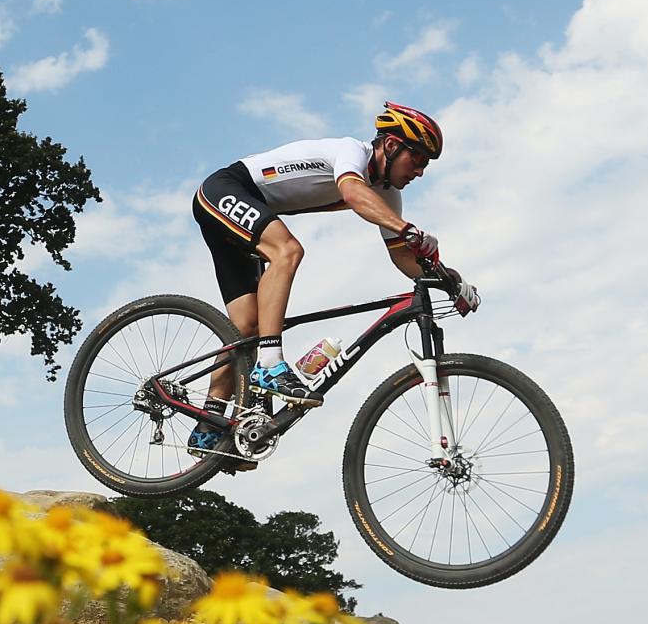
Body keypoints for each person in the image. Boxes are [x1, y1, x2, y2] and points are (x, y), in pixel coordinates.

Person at [187, 101, 479, 460]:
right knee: (288, 251)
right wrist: (409, 230)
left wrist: (450, 280)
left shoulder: (387, 195)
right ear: (390, 145)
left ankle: (208, 423)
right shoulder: (350, 154)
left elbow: (403, 257)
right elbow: (354, 195)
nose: (419, 171)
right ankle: (270, 365)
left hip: (246, 217)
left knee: (245, 328)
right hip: (226, 189)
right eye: (416, 159)